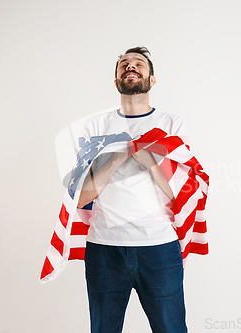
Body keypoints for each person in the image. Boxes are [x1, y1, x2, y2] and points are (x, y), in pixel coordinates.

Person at [77, 46, 190, 333]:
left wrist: (148, 159)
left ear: (152, 80)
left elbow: (182, 192)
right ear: (116, 82)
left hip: (159, 248)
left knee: (172, 329)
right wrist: (116, 157)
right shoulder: (95, 127)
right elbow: (81, 196)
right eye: (124, 64)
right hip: (104, 249)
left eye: (139, 63)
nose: (131, 66)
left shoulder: (171, 125)